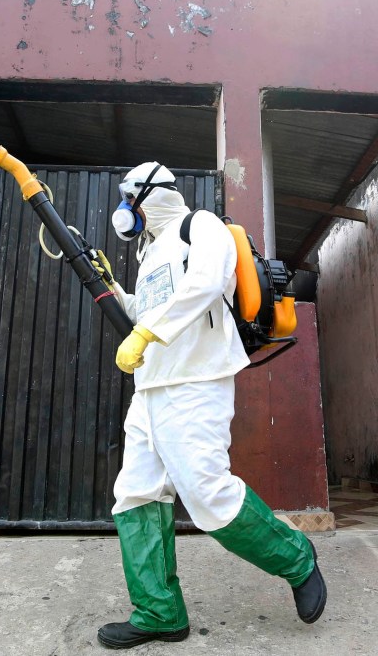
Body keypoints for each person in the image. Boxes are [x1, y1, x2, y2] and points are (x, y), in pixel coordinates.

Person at [92, 162, 326, 649]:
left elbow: (206, 283)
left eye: (129, 198)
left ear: (151, 194)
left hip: (197, 381)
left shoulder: (200, 225)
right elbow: (150, 310)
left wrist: (145, 333)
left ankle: (297, 558)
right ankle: (159, 614)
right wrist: (115, 289)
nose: (125, 210)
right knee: (135, 495)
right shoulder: (151, 250)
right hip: (150, 388)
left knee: (206, 495)